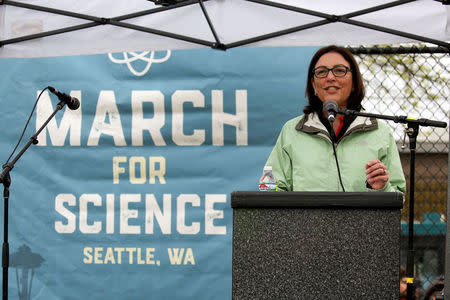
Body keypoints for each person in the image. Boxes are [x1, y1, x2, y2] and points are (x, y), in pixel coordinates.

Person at [264, 45, 406, 193]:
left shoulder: (380, 132)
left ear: (354, 82)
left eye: (339, 70)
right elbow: (268, 185)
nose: (330, 77)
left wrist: (383, 188)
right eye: (322, 72)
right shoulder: (291, 130)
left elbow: (398, 196)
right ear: (313, 85)